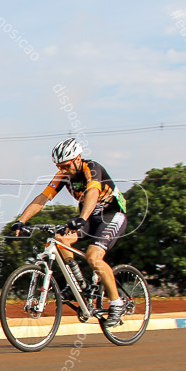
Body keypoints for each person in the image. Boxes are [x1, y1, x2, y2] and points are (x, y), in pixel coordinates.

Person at [11, 138, 128, 326]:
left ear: (77, 158)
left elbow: (92, 193)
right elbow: (43, 198)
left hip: (112, 215)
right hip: (89, 217)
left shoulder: (92, 168)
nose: (63, 170)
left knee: (93, 257)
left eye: (66, 166)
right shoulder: (62, 176)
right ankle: (79, 283)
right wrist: (20, 220)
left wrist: (82, 218)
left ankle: (117, 303)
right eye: (59, 166)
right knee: (59, 239)